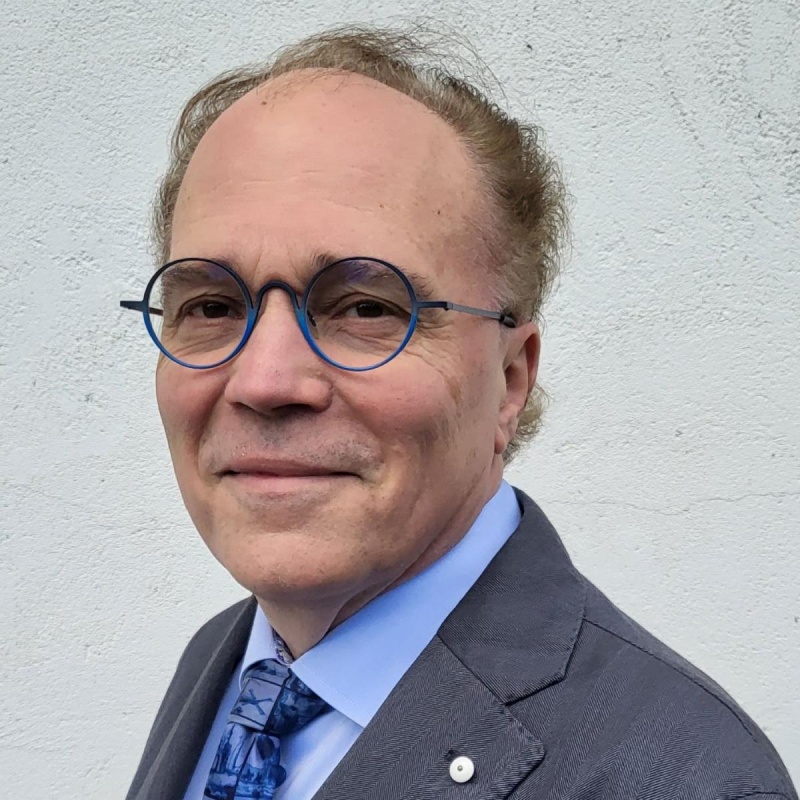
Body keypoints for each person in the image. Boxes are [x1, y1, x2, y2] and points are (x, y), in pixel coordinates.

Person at [120, 25, 797, 800]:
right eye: (211, 306)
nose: (265, 380)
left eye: (366, 307)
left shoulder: (690, 779)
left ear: (509, 381)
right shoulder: (228, 664)